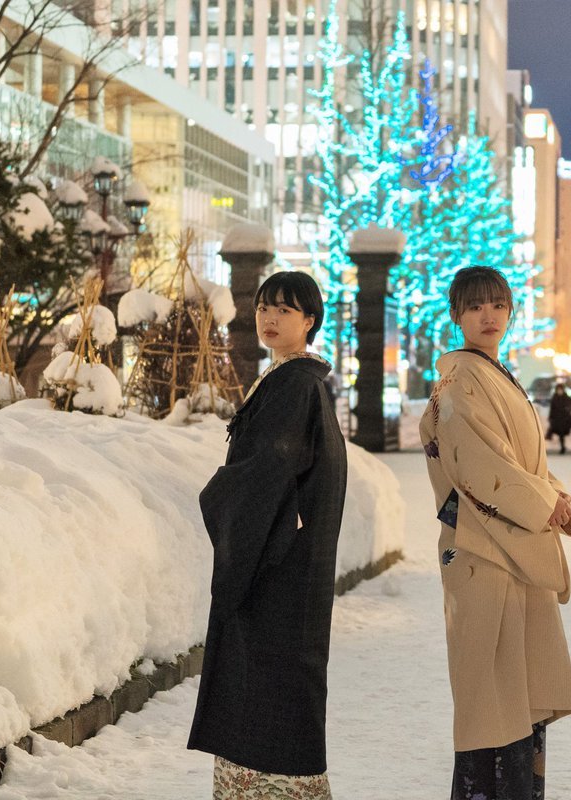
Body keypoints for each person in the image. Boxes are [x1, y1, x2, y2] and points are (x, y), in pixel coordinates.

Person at [419, 266, 571, 800]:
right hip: (485, 549)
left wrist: (552, 493)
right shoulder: (463, 379)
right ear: (457, 316)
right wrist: (542, 502)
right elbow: (482, 464)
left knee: (513, 689)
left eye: (498, 305)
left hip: (508, 543)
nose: (488, 316)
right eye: (475, 306)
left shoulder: (493, 373)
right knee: (492, 695)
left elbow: (519, 462)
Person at [189, 270, 348, 800]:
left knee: (268, 687)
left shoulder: (296, 386)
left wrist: (218, 496)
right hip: (282, 564)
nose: (270, 317)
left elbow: (270, 469)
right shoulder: (290, 381)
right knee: (270, 688)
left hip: (277, 570)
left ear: (310, 321)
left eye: (285, 309)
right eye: (263, 307)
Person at [546, 383, 571, 455]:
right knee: (550, 433)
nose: (559, 391)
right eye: (558, 390)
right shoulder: (554, 398)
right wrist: (550, 417)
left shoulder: (566, 398)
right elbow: (552, 409)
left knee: (561, 434)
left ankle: (562, 447)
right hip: (556, 419)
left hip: (564, 419)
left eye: (560, 390)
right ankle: (545, 448)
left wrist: (568, 409)